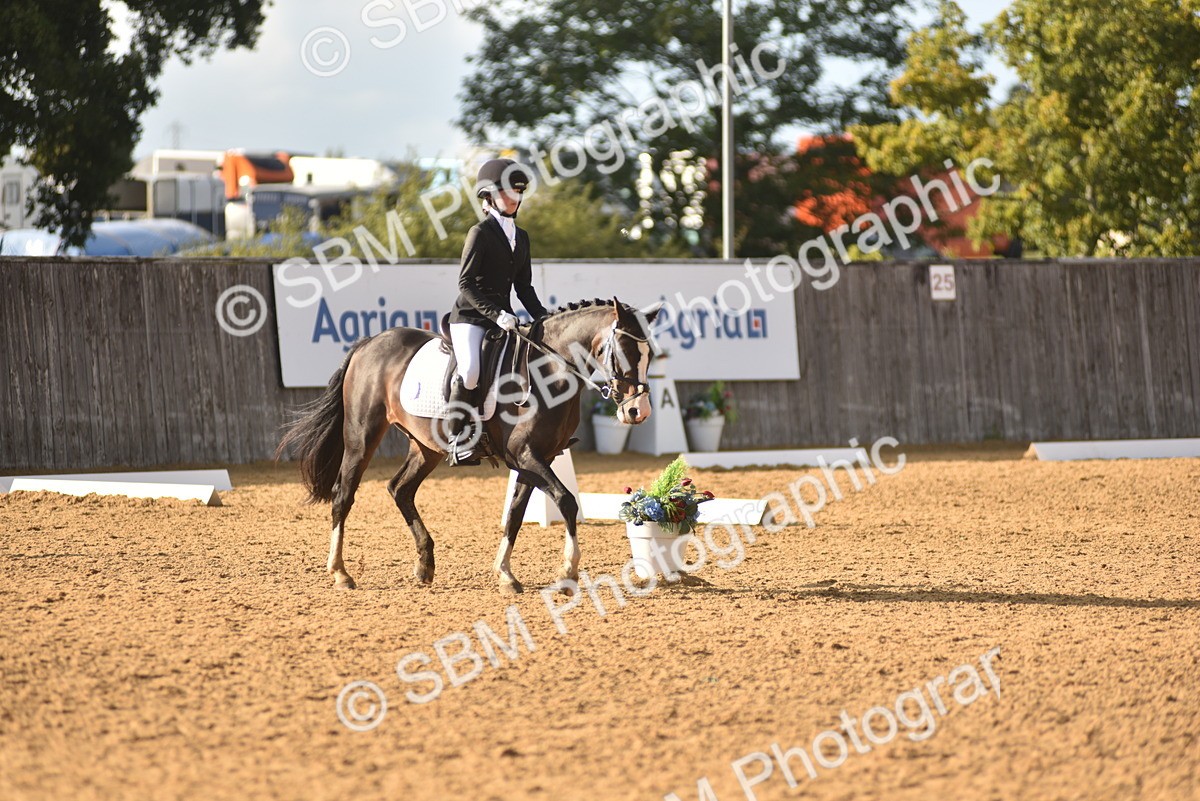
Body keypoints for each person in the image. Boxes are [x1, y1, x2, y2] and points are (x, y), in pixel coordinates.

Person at [444, 157, 550, 465]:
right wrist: (497, 313)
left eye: (518, 192)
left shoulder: (522, 237)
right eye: (507, 192)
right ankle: (457, 437)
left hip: (505, 320)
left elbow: (524, 288)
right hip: (471, 318)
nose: (514, 198)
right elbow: (465, 283)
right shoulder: (480, 233)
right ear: (488, 197)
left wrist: (543, 316)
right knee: (471, 372)